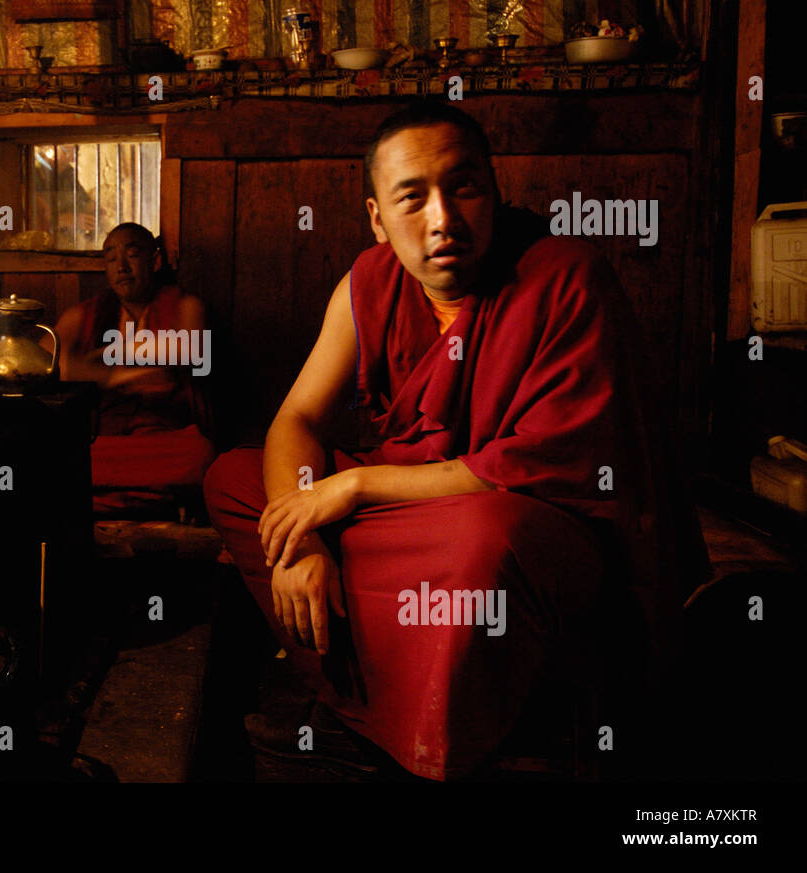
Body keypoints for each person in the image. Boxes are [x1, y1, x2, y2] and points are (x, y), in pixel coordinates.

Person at [202, 101, 709, 780]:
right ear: (378, 218)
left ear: (495, 189)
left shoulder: (564, 277)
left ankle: (442, 736)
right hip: (420, 521)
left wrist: (351, 484)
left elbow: (541, 463)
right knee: (235, 480)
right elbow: (295, 421)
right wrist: (301, 540)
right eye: (412, 197)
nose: (443, 218)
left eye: (464, 186)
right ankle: (371, 689)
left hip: (529, 525)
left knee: (485, 539)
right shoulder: (370, 281)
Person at [55, 223, 216, 513]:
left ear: (154, 261)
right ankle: (151, 498)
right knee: (56, 454)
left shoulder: (183, 305)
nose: (121, 267)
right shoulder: (85, 314)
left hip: (162, 440)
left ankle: (105, 498)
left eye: (131, 254)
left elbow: (192, 349)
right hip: (105, 439)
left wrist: (111, 352)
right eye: (111, 258)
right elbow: (48, 361)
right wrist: (112, 376)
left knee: (199, 456)